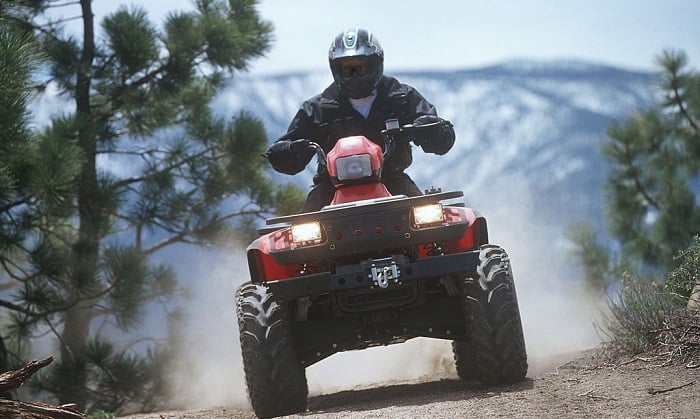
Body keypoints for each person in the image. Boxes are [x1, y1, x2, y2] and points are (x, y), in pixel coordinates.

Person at [266, 28, 456, 212]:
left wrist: (431, 129)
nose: (354, 75)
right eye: (348, 69)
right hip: (330, 189)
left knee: (432, 227)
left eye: (361, 67)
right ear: (336, 69)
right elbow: (289, 153)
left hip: (391, 180)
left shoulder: (402, 97)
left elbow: (442, 140)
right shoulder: (317, 109)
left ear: (375, 64)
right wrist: (286, 151)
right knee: (302, 240)